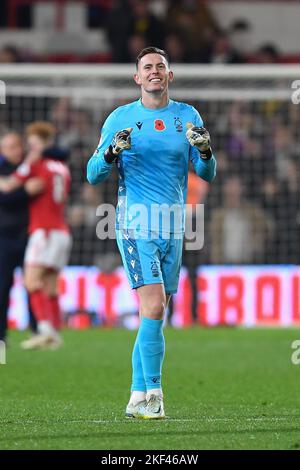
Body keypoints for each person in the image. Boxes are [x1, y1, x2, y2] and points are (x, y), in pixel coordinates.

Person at [87, 47, 216, 419]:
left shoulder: (187, 116)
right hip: (135, 223)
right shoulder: (120, 118)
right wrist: (111, 151)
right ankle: (155, 395)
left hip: (174, 227)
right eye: (148, 67)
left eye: (161, 66)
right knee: (155, 306)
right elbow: (94, 173)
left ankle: (135, 396)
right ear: (137, 78)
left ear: (170, 76)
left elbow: (206, 173)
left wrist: (205, 151)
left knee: (153, 313)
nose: (155, 71)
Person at [0, 122, 72, 350]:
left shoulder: (36, 164)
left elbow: (10, 186)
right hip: (61, 231)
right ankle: (53, 333)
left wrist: (30, 162)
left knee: (31, 282)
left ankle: (43, 330)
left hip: (43, 232)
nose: (27, 149)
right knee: (50, 286)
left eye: (30, 144)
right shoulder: (61, 166)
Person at [0, 132, 37, 343]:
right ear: (3, 151)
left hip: (28, 235)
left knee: (32, 284)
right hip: (4, 238)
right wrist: (25, 191)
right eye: (11, 147)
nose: (16, 150)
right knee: (3, 286)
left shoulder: (30, 168)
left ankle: (37, 330)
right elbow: (4, 198)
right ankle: (1, 335)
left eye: (18, 145)